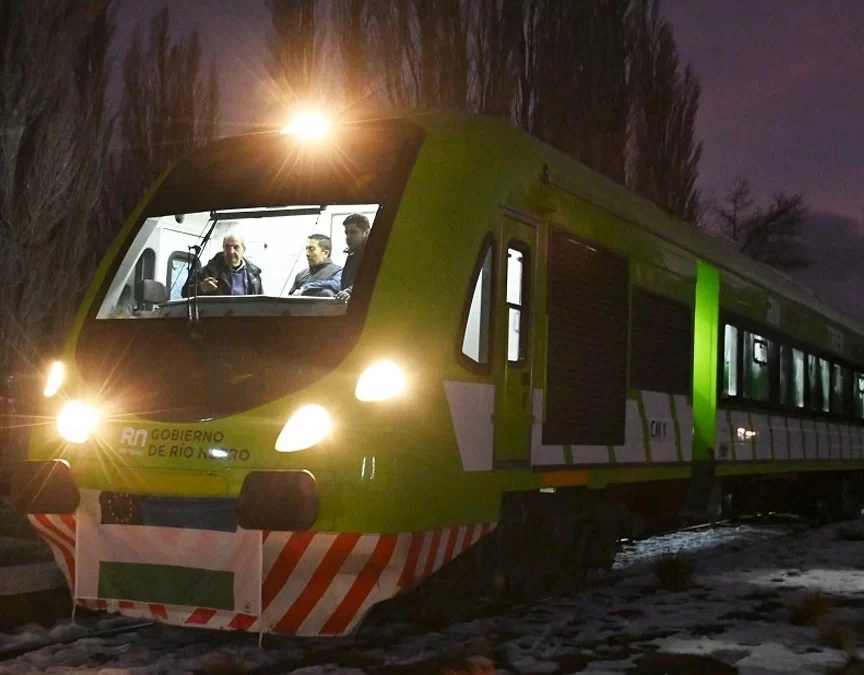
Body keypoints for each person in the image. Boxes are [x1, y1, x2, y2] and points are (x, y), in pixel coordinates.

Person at [183, 233, 263, 297]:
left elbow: (261, 303)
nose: (231, 251)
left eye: (236, 247)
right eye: (227, 247)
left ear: (244, 250)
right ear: (223, 248)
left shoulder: (254, 275)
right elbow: (185, 293)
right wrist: (202, 287)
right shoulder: (208, 272)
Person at [335, 214, 370, 302]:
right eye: (347, 233)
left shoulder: (373, 253)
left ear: (366, 232)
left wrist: (350, 291)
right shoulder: (352, 253)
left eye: (353, 232)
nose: (348, 237)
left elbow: (370, 278)